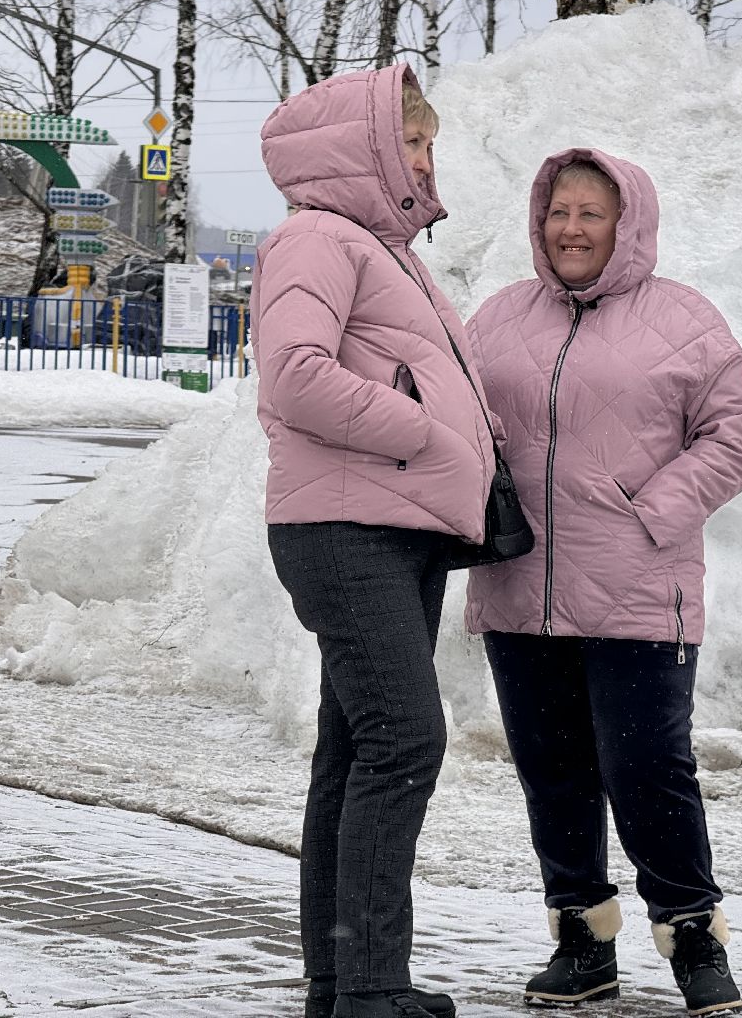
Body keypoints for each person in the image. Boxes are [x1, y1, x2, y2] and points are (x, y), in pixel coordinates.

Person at [464, 149, 742, 1016]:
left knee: (646, 767)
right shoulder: (498, 320)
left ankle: (694, 937)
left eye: (591, 213)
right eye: (558, 212)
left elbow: (730, 441)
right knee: (551, 770)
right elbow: (459, 420)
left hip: (638, 589)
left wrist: (651, 512)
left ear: (628, 223)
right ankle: (582, 942)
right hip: (522, 584)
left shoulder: (687, 321)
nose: (571, 229)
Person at [252, 65, 496, 1018]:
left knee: (355, 755)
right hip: (346, 528)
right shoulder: (316, 238)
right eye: (415, 142)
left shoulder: (381, 248)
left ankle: (342, 983)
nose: (429, 162)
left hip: (392, 528)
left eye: (431, 143)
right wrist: (422, 430)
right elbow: (296, 377)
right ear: (366, 148)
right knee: (405, 741)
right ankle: (371, 987)